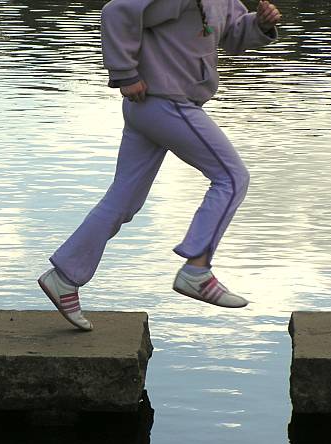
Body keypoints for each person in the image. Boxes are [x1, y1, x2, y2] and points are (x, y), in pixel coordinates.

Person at [38, 0, 282, 331]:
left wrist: (262, 24)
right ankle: (197, 270)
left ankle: (65, 276)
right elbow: (116, 12)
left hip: (155, 108)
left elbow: (234, 34)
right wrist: (125, 73)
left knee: (123, 201)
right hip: (166, 102)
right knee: (232, 178)